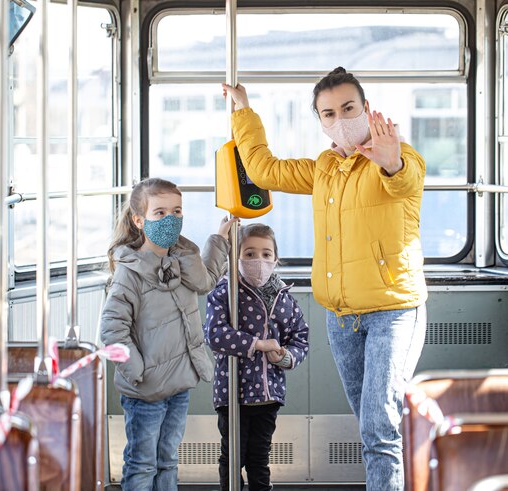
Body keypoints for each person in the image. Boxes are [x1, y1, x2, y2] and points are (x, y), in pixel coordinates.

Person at [222, 67, 427, 491]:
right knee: (373, 426)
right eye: (328, 113)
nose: (340, 119)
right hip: (340, 317)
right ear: (321, 121)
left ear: (367, 109)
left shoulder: (400, 156)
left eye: (348, 108)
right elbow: (264, 170)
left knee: (380, 427)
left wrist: (392, 162)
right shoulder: (324, 169)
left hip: (393, 311)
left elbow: (404, 180)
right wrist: (244, 112)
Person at [100, 177, 237, 491]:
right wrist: (139, 372)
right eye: (160, 213)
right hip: (145, 392)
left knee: (168, 460)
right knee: (142, 464)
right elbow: (112, 330)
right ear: (139, 220)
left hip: (178, 385)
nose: (171, 219)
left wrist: (219, 239)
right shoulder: (129, 272)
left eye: (176, 211)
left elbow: (206, 281)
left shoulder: (181, 261)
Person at [204, 223, 309, 491]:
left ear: (276, 258)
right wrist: (257, 344)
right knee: (232, 458)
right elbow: (215, 334)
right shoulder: (224, 290)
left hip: (268, 393)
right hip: (232, 394)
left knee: (259, 459)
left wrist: (285, 357)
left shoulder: (284, 298)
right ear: (235, 257)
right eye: (249, 254)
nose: (258, 261)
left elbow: (300, 338)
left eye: (266, 254)